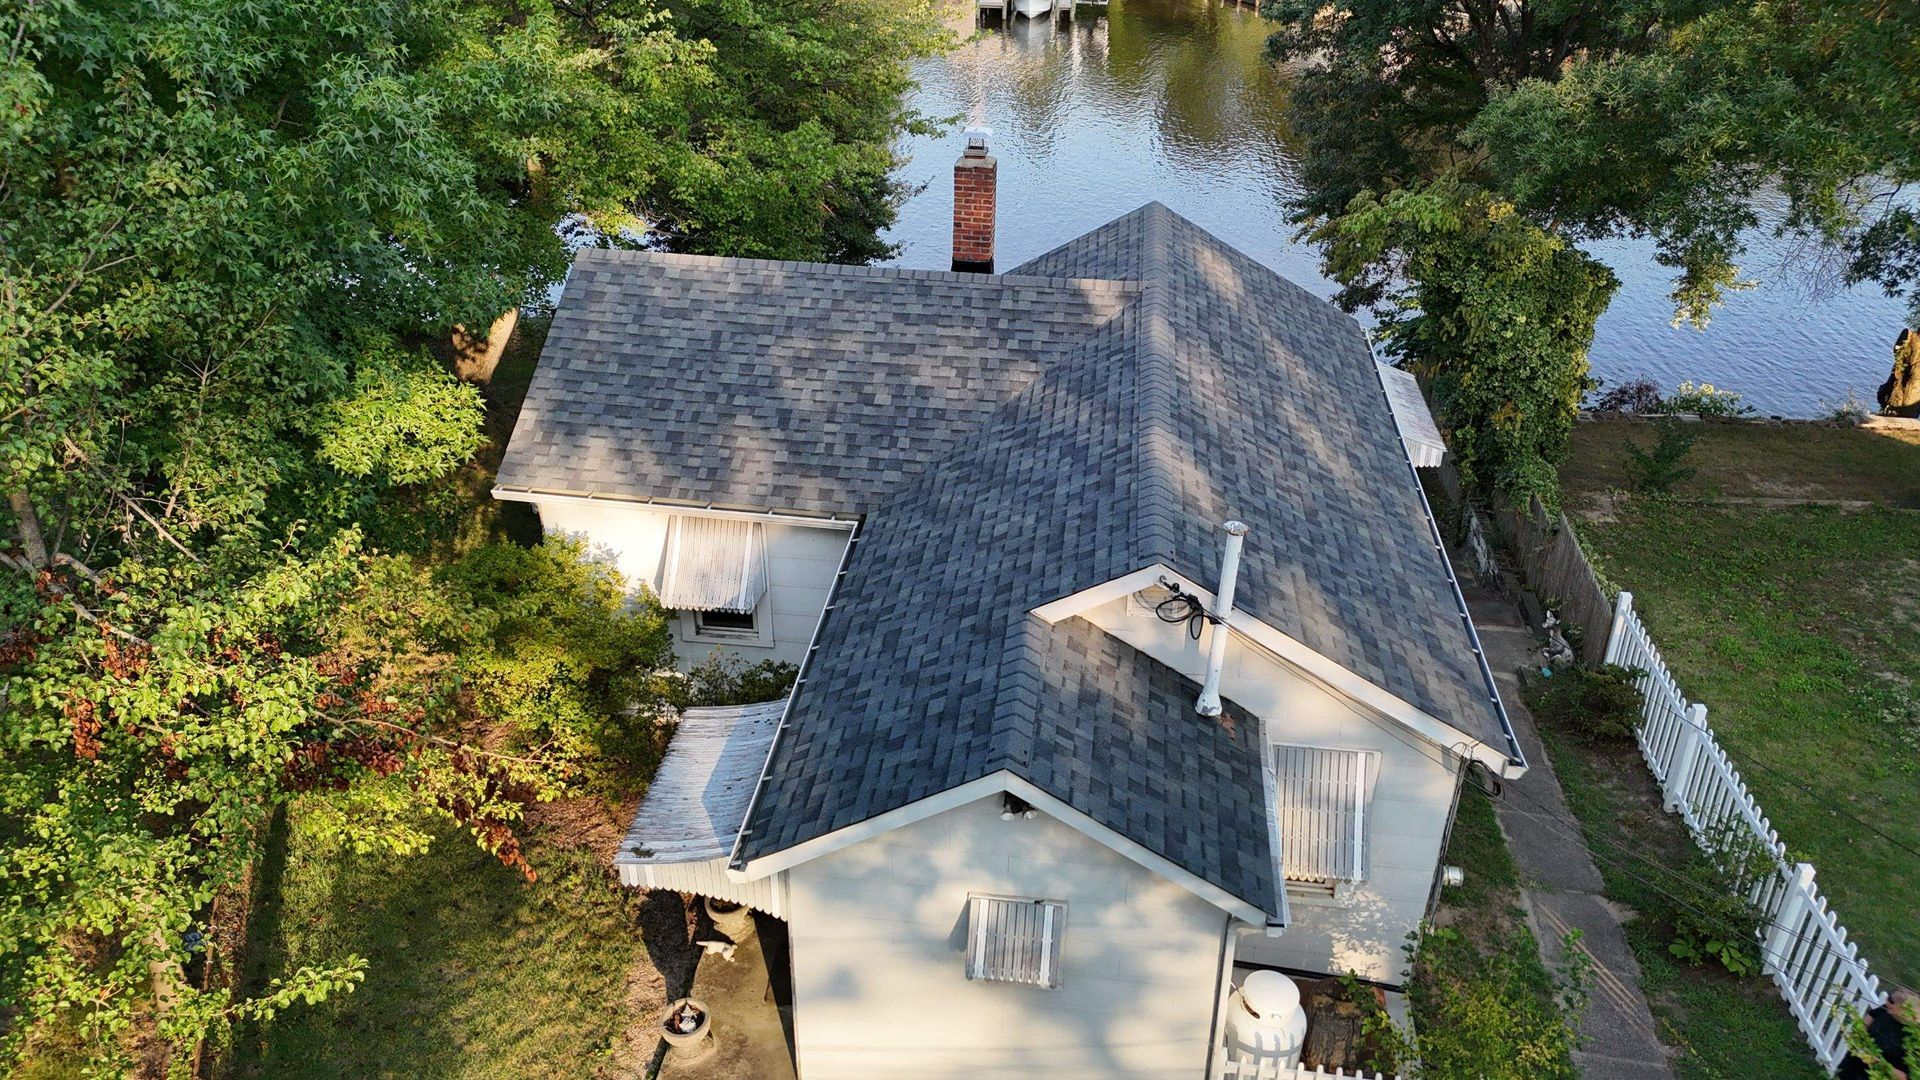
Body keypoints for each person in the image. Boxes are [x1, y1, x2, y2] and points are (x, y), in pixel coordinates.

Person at [1838, 988, 1918, 1080]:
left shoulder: (1914, 1038)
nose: (1888, 1011)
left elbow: (1905, 1077)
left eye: (1892, 1009)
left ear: (1907, 1012)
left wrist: (1875, 1062)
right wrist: (1860, 1033)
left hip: (1876, 1075)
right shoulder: (1887, 1009)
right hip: (1853, 1064)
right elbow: (1871, 1015)